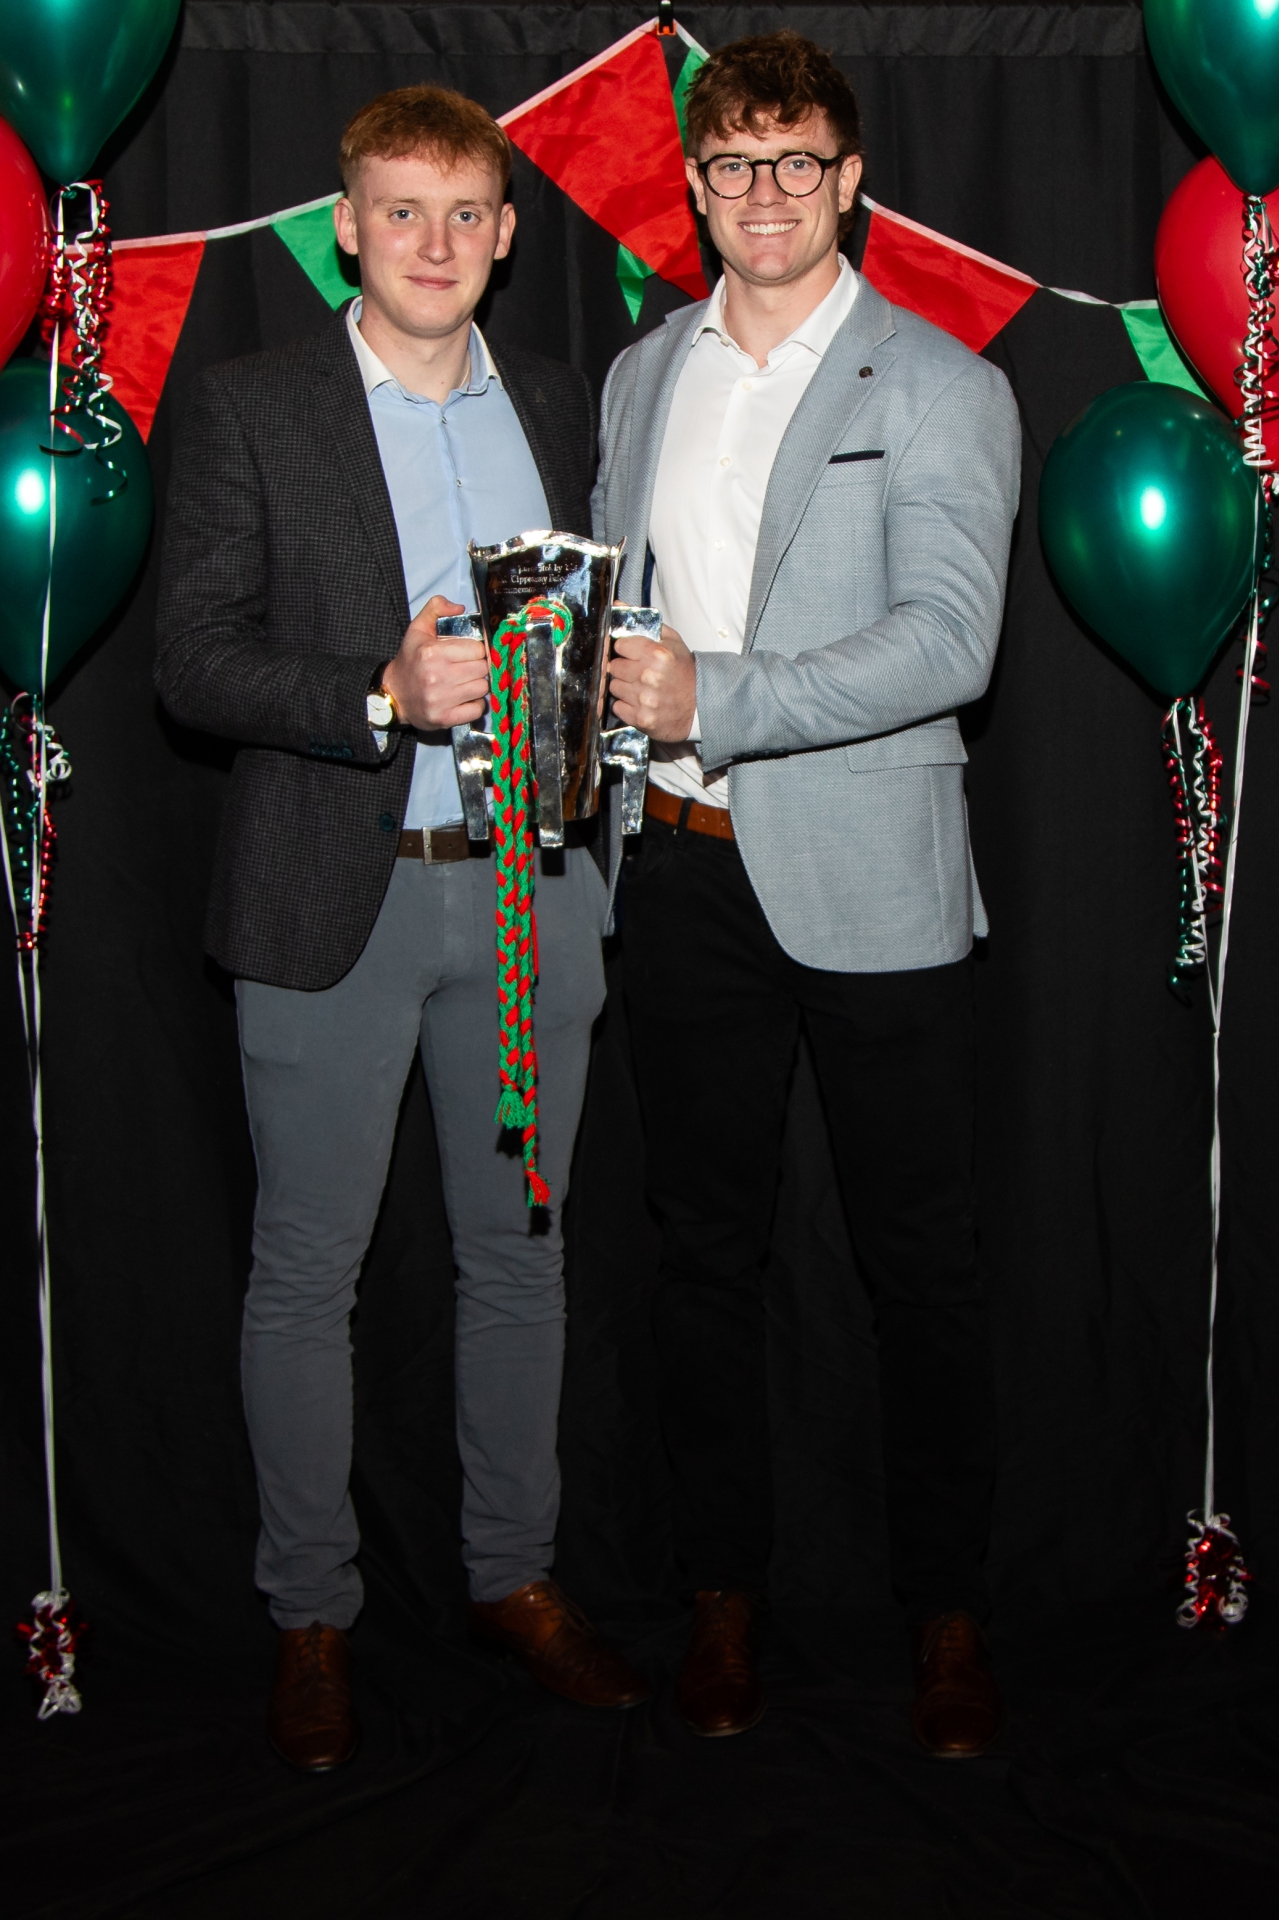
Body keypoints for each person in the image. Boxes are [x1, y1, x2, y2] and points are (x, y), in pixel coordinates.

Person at [156, 85, 648, 1772]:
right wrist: (376, 692)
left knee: (520, 1255)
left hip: (527, 893)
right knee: (309, 1268)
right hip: (331, 904)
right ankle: (311, 1614)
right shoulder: (253, 406)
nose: (433, 243)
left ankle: (514, 1576)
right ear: (345, 228)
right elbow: (192, 659)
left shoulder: (565, 404)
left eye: (464, 213)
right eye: (400, 210)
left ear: (505, 235)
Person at [593, 31, 1021, 1753]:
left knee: (922, 1269)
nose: (763, 193)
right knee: (702, 1258)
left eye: (795, 162)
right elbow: (615, 621)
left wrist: (719, 696)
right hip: (677, 877)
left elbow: (950, 643)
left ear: (849, 181)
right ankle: (722, 1598)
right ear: (695, 188)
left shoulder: (942, 385)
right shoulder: (642, 375)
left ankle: (947, 1616)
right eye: (732, 164)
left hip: (875, 886)